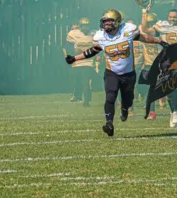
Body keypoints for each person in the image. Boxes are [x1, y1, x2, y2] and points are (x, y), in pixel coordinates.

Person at [65, 9, 168, 137]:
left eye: (110, 22)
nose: (106, 24)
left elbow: (144, 37)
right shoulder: (101, 36)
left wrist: (159, 41)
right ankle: (109, 123)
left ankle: (125, 109)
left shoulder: (128, 31)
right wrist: (75, 58)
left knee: (128, 99)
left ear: (118, 22)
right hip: (111, 72)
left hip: (128, 73)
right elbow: (92, 51)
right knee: (110, 95)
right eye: (105, 22)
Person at [142, 8, 177, 127]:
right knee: (172, 87)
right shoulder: (162, 26)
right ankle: (174, 112)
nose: (172, 19)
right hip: (168, 62)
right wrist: (144, 13)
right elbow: (145, 29)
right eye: (170, 17)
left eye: (174, 17)